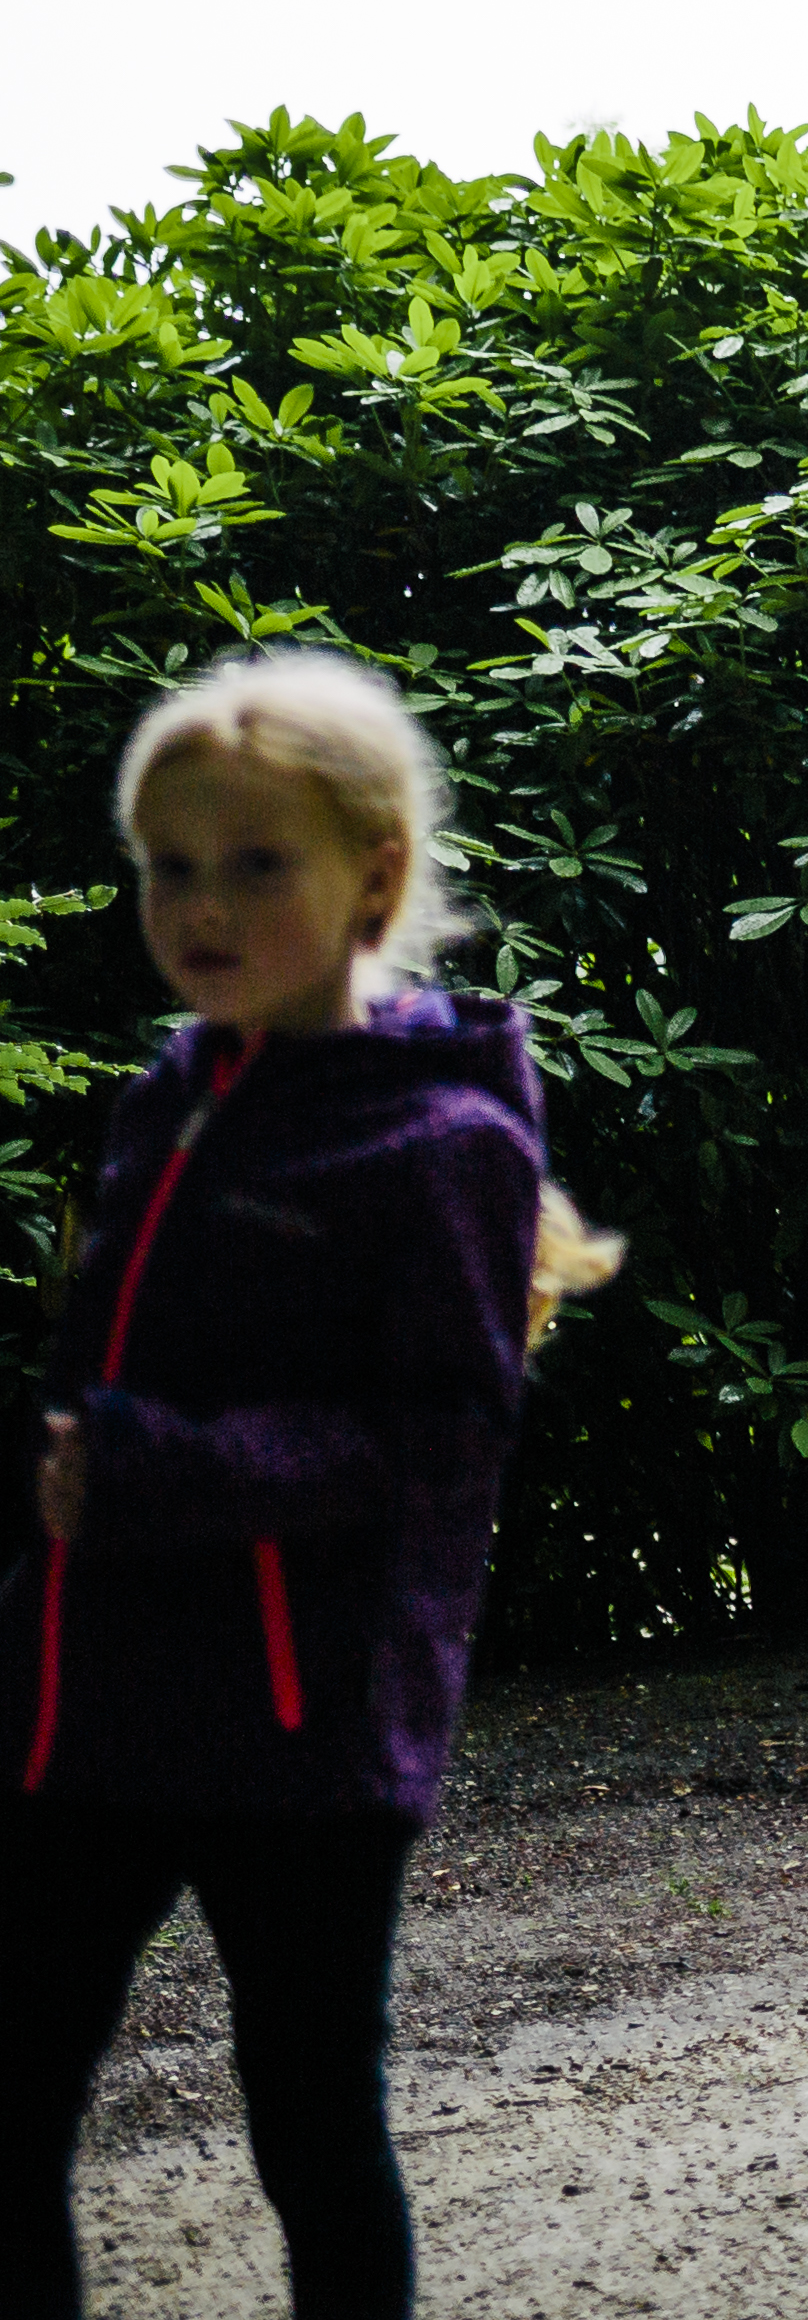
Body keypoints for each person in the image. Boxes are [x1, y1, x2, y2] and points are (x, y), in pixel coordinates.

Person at [0, 650, 608, 2320]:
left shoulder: (442, 1144)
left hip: (302, 1732)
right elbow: (96, 1383)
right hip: (89, 1705)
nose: (202, 905)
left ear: (373, 881)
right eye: (171, 866)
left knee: (312, 2129)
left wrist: (158, 1474)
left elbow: (438, 1440)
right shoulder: (164, 1098)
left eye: (256, 863)